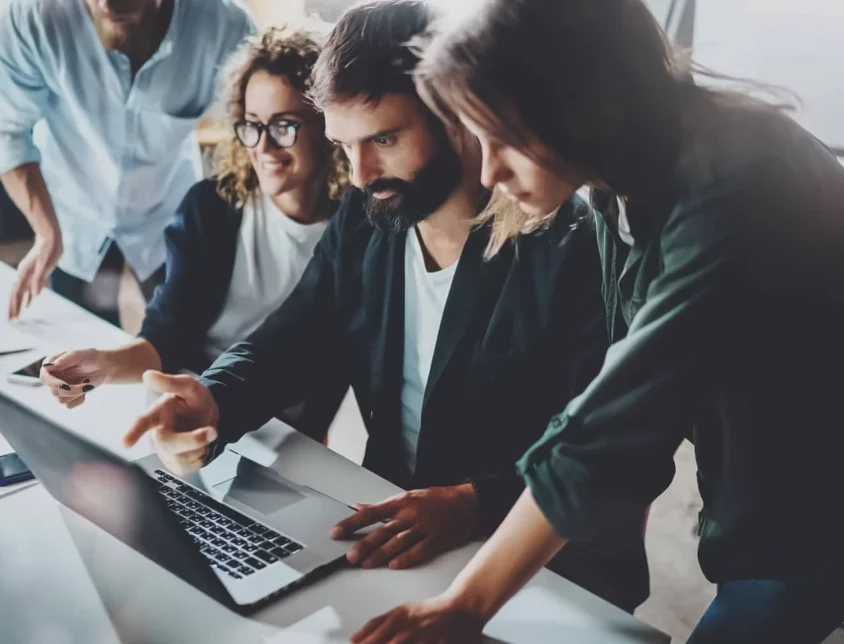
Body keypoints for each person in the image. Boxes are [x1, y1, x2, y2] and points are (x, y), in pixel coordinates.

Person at [121, 0, 650, 613]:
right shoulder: (370, 215)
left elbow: (608, 457)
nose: (363, 172)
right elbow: (298, 334)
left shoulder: (569, 242)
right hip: (389, 529)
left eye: (385, 139)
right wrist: (214, 398)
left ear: (455, 113)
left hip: (532, 565)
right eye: (345, 146)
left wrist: (474, 501)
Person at [353, 0, 844, 642]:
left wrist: (466, 604)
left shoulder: (742, 186)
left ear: (576, 99)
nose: (489, 170)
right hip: (763, 504)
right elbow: (616, 406)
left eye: (501, 138)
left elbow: (616, 424)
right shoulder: (617, 184)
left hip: (812, 516)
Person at [39, 27, 350, 439]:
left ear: (329, 126)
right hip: (187, 403)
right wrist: (103, 364)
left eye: (284, 126)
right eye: (252, 125)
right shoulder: (211, 208)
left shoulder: (357, 234)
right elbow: (166, 337)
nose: (263, 146)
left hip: (284, 431)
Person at [0, 0, 255, 325]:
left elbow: (258, 132)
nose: (107, 3)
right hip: (72, 219)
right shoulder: (28, 12)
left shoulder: (228, 28)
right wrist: (47, 232)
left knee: (186, 347)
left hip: (168, 213)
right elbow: (5, 130)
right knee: (79, 358)